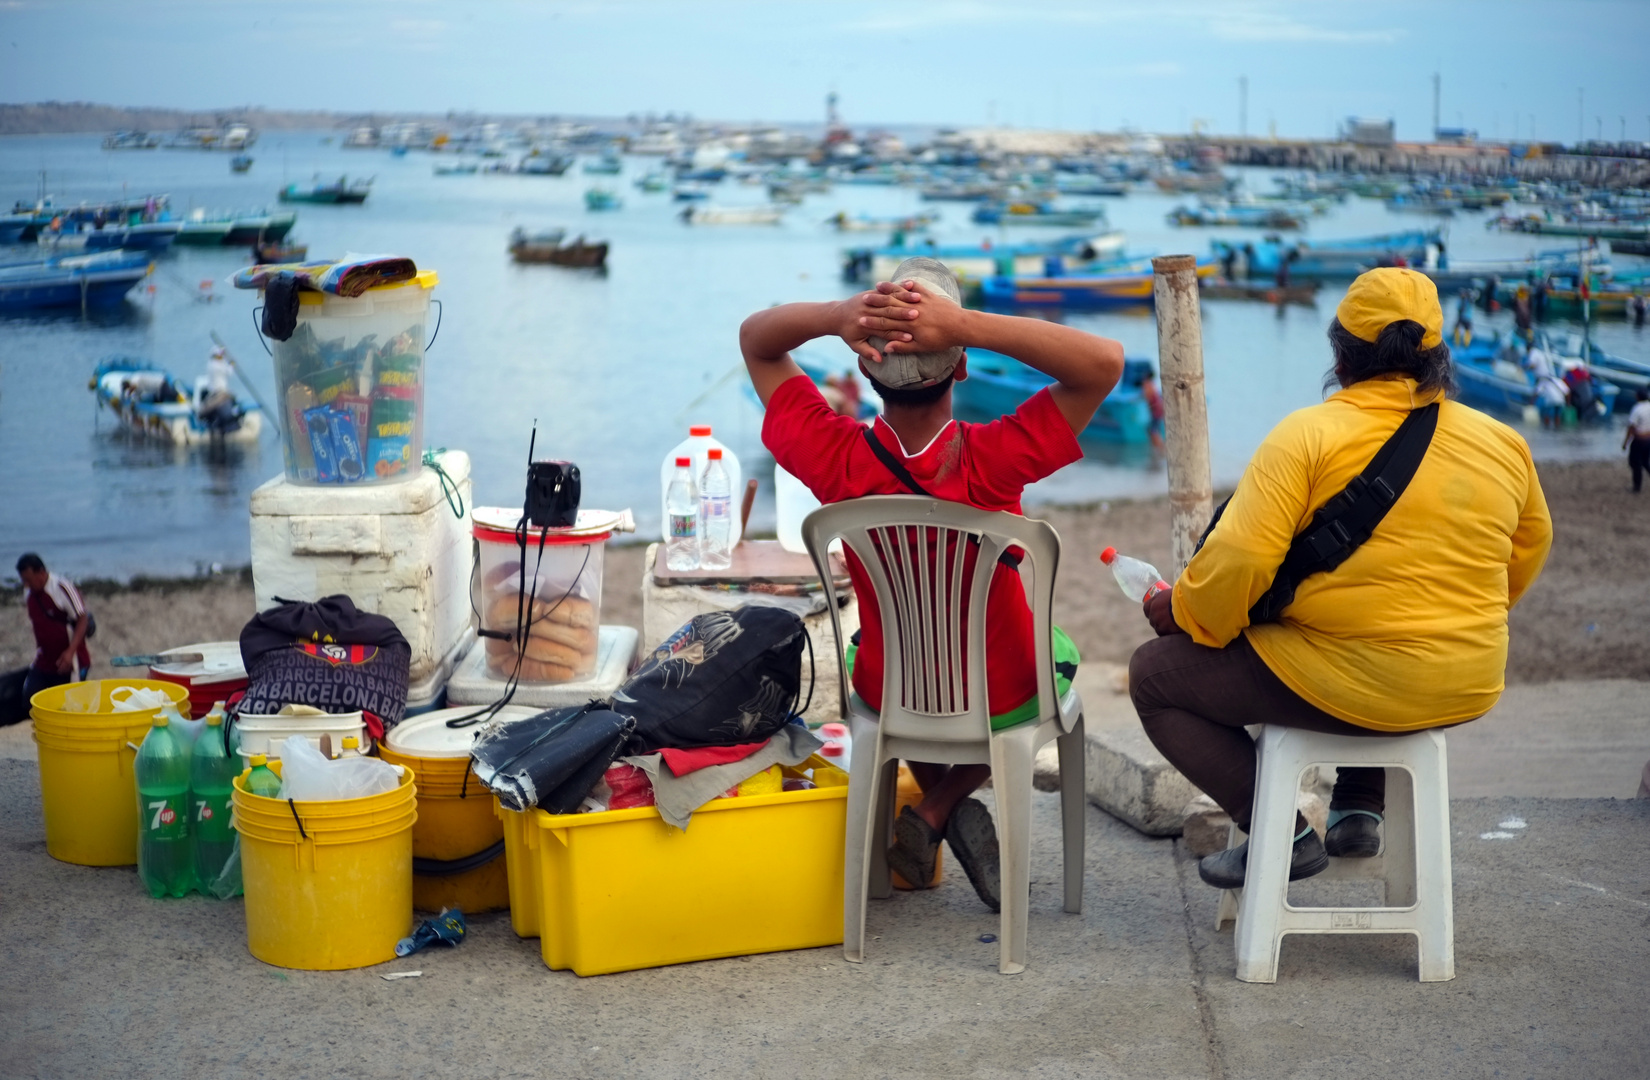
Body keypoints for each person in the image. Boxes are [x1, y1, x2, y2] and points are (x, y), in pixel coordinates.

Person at [1127, 268, 1552, 890]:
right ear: (1436, 357)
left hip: (1351, 679)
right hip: (1466, 681)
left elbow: (1241, 560)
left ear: (1340, 355)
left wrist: (1185, 613)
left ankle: (1282, 834)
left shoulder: (1308, 434)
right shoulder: (1503, 444)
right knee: (1370, 636)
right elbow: (1529, 548)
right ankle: (1358, 810)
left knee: (1154, 677)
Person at [741, 256, 1124, 911]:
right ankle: (940, 808)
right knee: (1056, 656)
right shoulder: (997, 459)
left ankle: (937, 800)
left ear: (864, 366)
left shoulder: (831, 457)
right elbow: (1104, 363)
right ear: (965, 366)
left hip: (890, 688)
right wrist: (964, 324)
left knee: (884, 648)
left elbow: (757, 340)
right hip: (1000, 691)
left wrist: (838, 316)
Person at [16, 553, 93, 701]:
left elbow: (82, 618)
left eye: (29, 580)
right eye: (24, 581)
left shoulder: (62, 588)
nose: (27, 585)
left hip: (71, 660)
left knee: (69, 704)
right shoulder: (29, 594)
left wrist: (70, 652)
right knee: (30, 699)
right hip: (45, 659)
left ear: (41, 572)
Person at [1624, 389, 1650, 493]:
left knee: (1635, 463)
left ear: (1638, 397)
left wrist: (1625, 442)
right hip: (1648, 439)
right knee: (1645, 461)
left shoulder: (1637, 409)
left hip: (1639, 440)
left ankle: (1637, 487)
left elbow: (1631, 427)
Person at [1138, 365, 1166, 453]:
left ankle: (1161, 449)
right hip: (1158, 409)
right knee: (1152, 430)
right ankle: (1157, 447)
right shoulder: (1151, 384)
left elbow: (1147, 396)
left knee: (1153, 431)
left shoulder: (1147, 385)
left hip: (1156, 411)